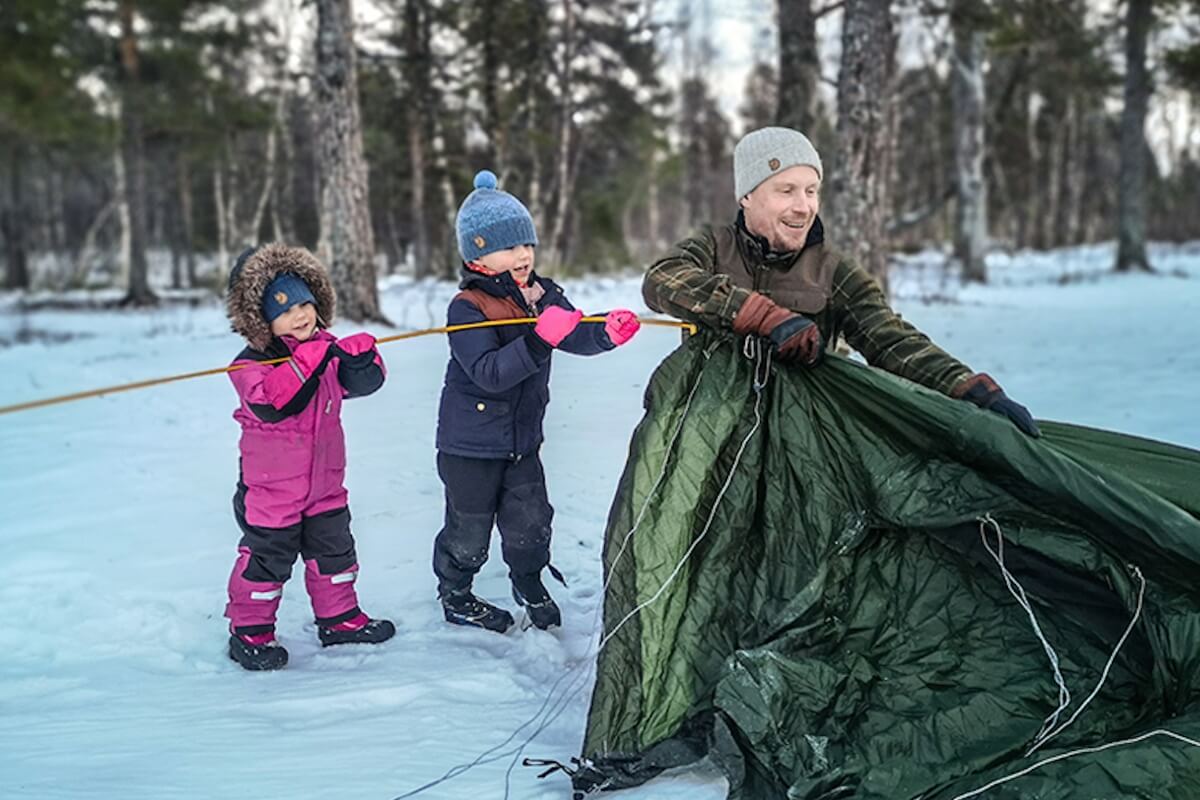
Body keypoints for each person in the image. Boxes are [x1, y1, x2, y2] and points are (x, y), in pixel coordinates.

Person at [642, 126, 1039, 436]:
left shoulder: (834, 270)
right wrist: (758, 315)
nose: (803, 206)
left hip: (801, 444)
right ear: (747, 196)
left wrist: (970, 390)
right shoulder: (712, 247)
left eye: (811, 191)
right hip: (712, 438)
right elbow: (663, 280)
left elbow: (891, 340)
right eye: (787, 190)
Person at [432, 170, 642, 633]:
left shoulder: (542, 295)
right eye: (509, 247)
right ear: (479, 255)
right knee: (469, 533)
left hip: (523, 440)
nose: (524, 254)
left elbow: (571, 331)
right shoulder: (467, 308)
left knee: (531, 524)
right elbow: (488, 374)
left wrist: (603, 333)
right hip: (470, 447)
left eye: (527, 244)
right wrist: (536, 342)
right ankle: (456, 592)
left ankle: (528, 579)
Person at [223, 243, 395, 671]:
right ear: (261, 321)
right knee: (267, 562)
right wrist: (309, 360)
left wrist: (361, 360)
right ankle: (250, 630)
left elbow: (366, 385)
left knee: (335, 553)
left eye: (305, 303)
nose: (301, 315)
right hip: (271, 494)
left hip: (325, 487)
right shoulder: (248, 367)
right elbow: (275, 402)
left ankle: (339, 619)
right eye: (284, 309)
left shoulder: (323, 350)